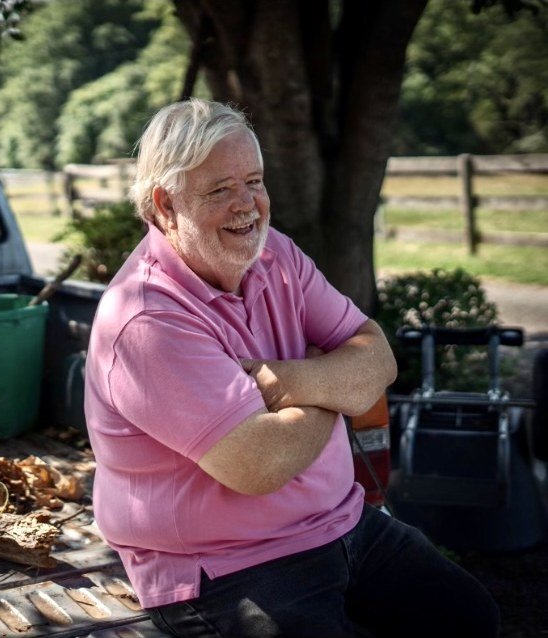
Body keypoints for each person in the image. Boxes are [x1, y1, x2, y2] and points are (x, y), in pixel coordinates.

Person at [83, 99, 500, 638]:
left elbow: (378, 356)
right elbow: (260, 463)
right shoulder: (144, 319)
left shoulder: (275, 255)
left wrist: (292, 380)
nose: (247, 206)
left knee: (469, 618)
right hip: (226, 567)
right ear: (165, 206)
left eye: (253, 181)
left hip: (342, 523)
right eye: (219, 190)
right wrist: (336, 381)